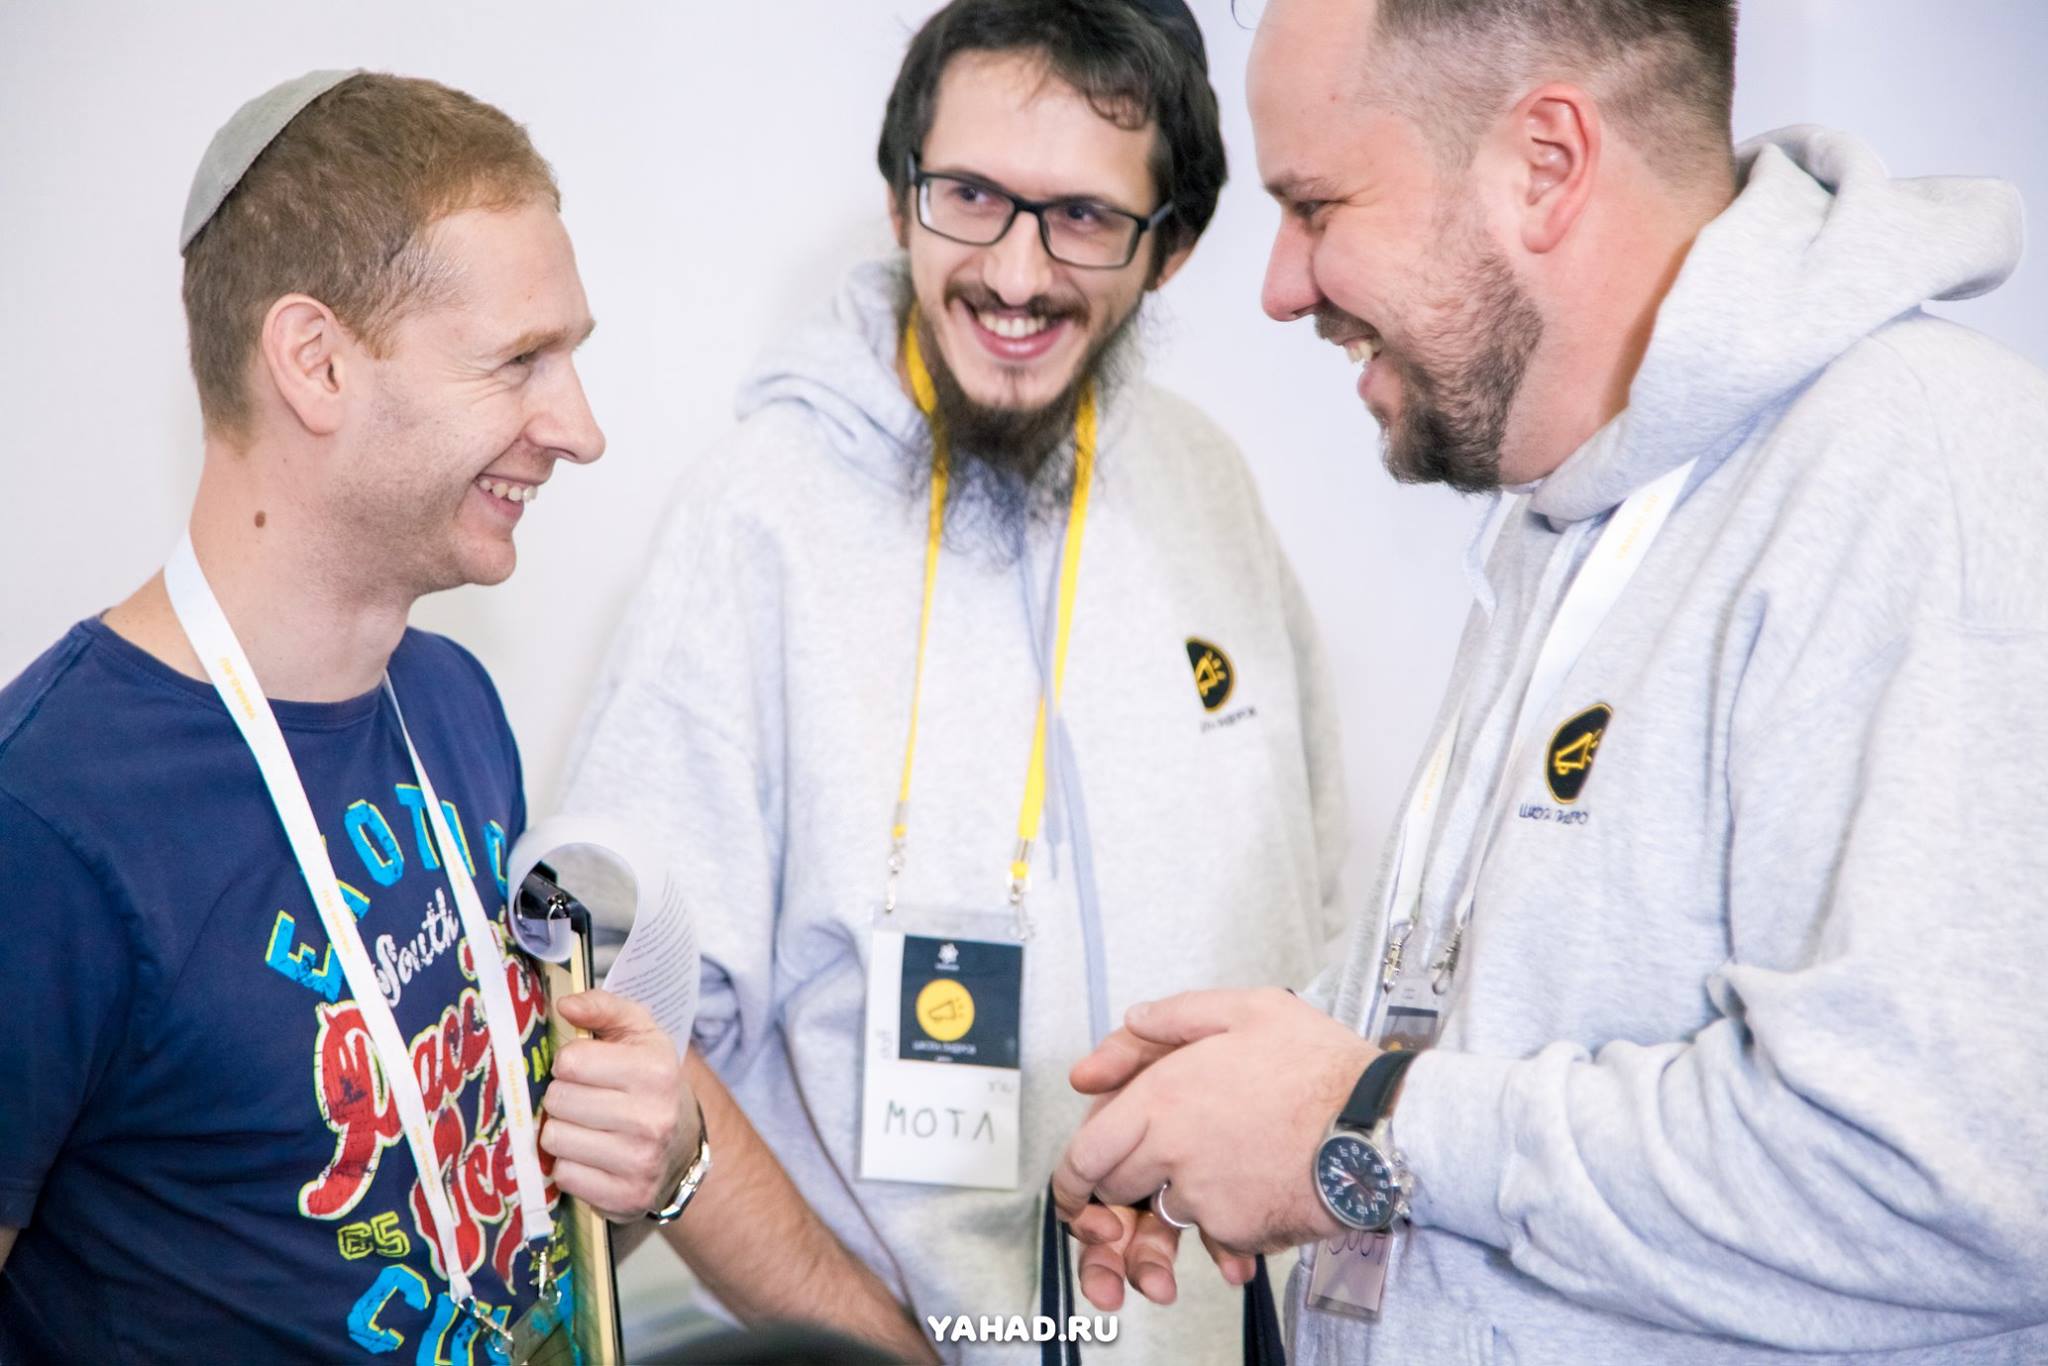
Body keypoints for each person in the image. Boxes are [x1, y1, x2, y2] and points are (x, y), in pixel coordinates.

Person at [1051, 0, 2048, 1361]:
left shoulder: (1926, 477)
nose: (1279, 286)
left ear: (1546, 164)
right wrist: (1243, 1093)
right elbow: (1526, 1025)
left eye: (1316, 205)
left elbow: (1954, 1177)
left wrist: (1355, 1121)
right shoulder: (1565, 515)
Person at [0, 70, 894, 1363]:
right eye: (519, 361)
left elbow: (472, 1232)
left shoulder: (447, 700)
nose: (579, 429)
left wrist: (651, 1161)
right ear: (315, 363)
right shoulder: (48, 824)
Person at [560, 0, 1347, 1357]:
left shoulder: (1207, 487)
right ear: (899, 198)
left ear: (1171, 250)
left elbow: (1319, 938)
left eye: (1085, 217)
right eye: (972, 196)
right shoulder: (757, 520)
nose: (1016, 273)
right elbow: (634, 1042)